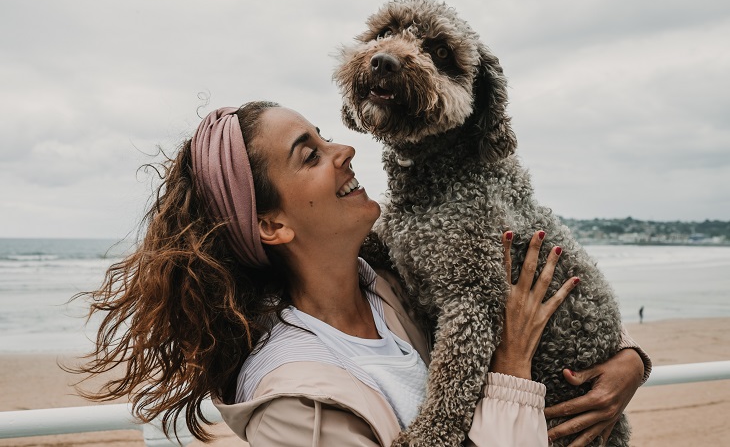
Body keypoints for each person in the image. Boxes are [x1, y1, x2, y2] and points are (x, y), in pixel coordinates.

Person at [77, 102, 650, 446]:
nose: (345, 149)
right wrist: (512, 373)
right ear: (271, 225)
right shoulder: (294, 406)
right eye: (310, 154)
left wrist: (628, 364)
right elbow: (508, 352)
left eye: (326, 135)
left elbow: (534, 303)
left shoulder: (388, 282)